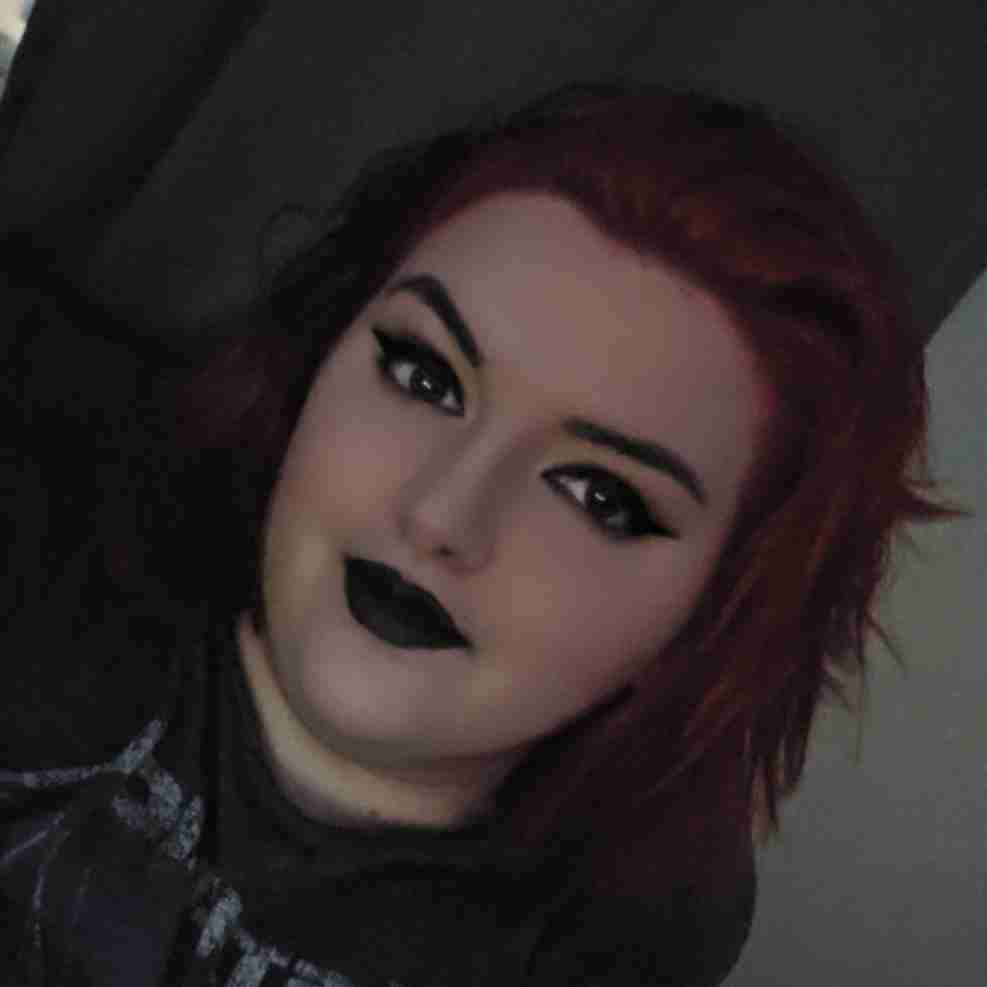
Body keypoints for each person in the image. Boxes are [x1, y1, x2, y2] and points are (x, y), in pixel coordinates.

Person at [1, 80, 968, 986]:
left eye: (600, 495)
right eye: (424, 375)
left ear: (722, 603)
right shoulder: (52, 484)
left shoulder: (636, 927)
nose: (440, 516)